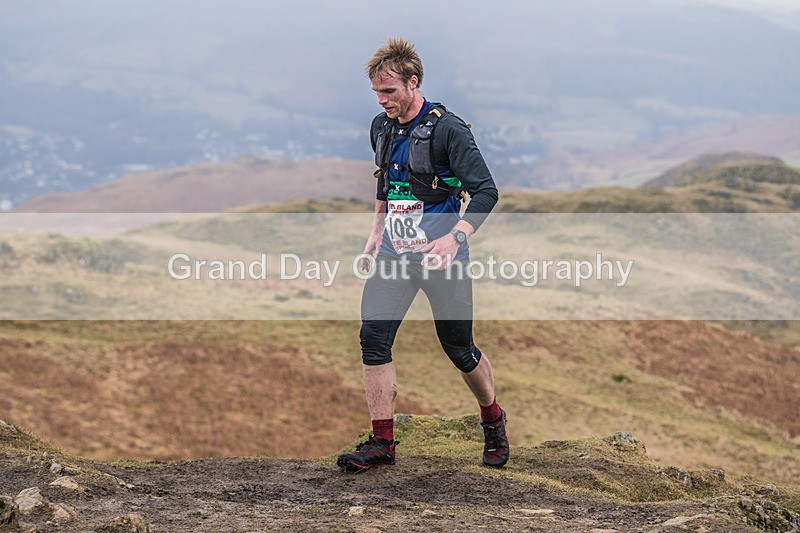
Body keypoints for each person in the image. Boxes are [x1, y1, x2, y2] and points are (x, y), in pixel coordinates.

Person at [337, 37, 507, 472]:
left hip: (442, 259)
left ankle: (492, 419)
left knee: (459, 349)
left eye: (389, 90)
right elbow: (385, 183)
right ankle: (382, 442)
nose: (382, 100)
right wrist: (376, 233)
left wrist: (456, 238)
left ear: (413, 82)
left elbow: (486, 192)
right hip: (394, 255)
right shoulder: (381, 126)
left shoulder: (449, 130)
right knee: (373, 339)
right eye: (376, 92)